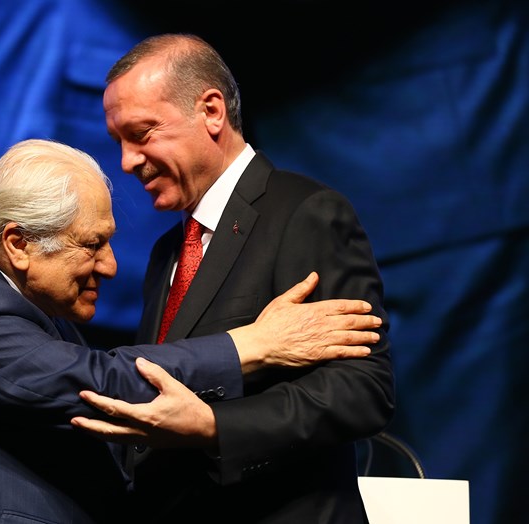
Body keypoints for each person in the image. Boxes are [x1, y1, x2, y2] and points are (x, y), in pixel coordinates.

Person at [0, 138, 383, 523]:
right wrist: (252, 345)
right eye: (92, 245)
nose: (111, 266)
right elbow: (99, 383)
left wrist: (220, 429)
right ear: (18, 244)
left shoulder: (39, 314)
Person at [71, 34, 395, 523]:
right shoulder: (167, 252)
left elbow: (363, 390)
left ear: (211, 111)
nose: (127, 161)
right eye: (119, 142)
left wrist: (214, 425)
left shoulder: (306, 212)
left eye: (142, 133)